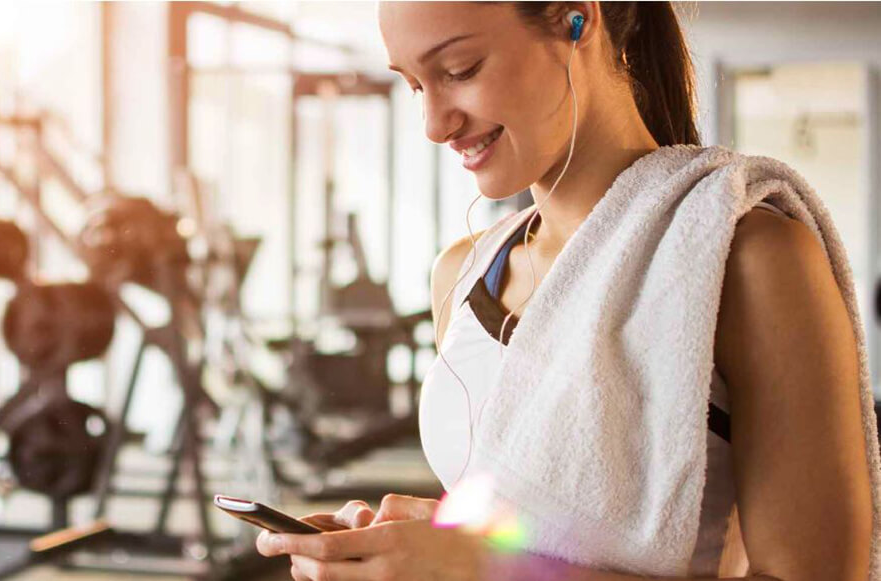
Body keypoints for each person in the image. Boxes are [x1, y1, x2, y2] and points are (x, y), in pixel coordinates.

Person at [256, 3, 875, 580]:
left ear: (575, 19)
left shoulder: (748, 261)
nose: (434, 124)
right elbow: (517, 524)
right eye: (416, 85)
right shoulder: (464, 275)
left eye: (459, 70)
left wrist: (481, 570)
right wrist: (403, 548)